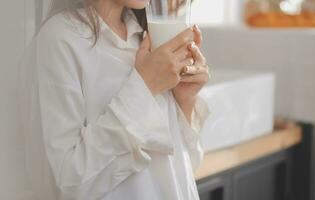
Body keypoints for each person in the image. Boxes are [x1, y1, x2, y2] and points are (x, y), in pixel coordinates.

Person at [18, 0, 211, 199]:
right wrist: (145, 87)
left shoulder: (145, 36)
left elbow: (180, 168)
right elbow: (59, 186)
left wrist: (185, 100)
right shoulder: (58, 41)